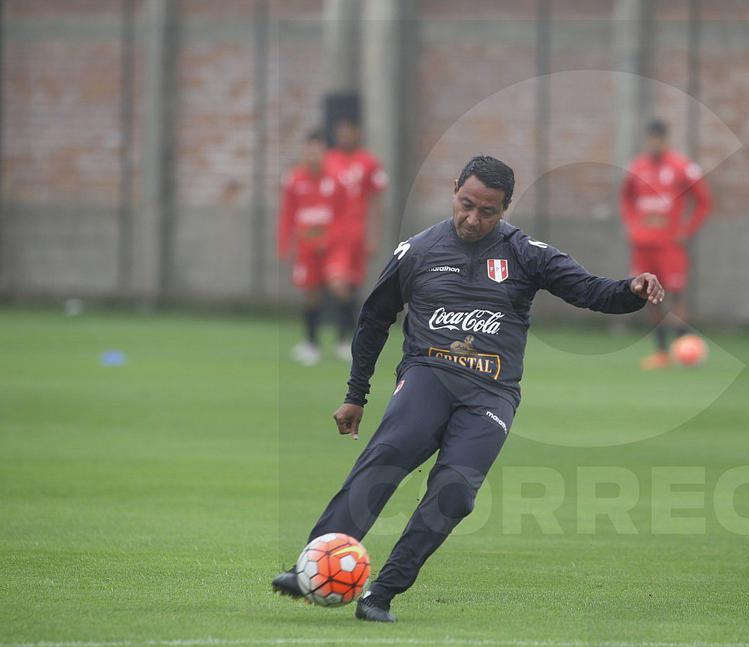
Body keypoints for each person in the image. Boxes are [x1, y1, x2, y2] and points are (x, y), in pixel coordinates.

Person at [272, 155, 664, 622]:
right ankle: (310, 566)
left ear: (505, 208)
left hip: (491, 394)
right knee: (383, 460)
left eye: (487, 211)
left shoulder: (526, 253)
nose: (473, 218)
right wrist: (357, 394)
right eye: (466, 204)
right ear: (455, 189)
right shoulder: (417, 251)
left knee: (455, 495)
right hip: (427, 376)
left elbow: (592, 292)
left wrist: (632, 290)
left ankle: (382, 593)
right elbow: (375, 319)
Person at [620, 119, 712, 369]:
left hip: (670, 245)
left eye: (658, 138)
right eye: (650, 139)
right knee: (650, 296)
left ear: (665, 140)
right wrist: (633, 225)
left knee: (676, 295)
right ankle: (661, 353)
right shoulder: (637, 167)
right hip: (643, 245)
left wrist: (686, 230)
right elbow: (626, 199)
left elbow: (704, 201)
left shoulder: (682, 167)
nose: (654, 143)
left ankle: (684, 348)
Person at [277, 130, 347, 366]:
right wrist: (285, 244)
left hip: (332, 245)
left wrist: (328, 240)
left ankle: (344, 340)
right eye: (308, 149)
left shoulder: (336, 180)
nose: (312, 154)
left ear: (324, 152)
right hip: (307, 247)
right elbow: (288, 214)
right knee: (311, 294)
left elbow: (343, 215)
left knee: (339, 287)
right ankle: (311, 343)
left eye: (316, 149)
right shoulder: (294, 179)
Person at [320, 117, 388, 362]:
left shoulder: (369, 163)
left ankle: (345, 339)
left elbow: (376, 203)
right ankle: (352, 333)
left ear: (357, 133)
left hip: (357, 235)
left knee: (351, 285)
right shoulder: (328, 161)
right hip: (334, 235)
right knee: (337, 284)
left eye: (348, 131)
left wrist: (374, 236)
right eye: (340, 132)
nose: (344, 136)